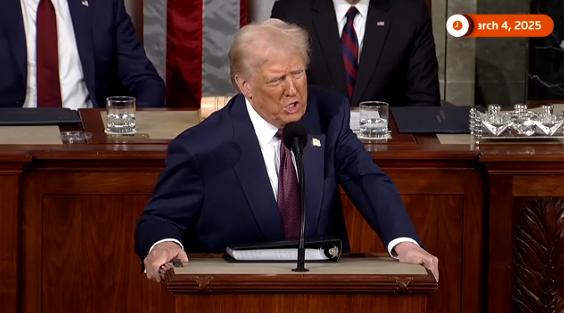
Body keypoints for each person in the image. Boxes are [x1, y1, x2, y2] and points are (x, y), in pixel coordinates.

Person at [135, 19, 438, 282]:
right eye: (277, 79)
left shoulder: (328, 115)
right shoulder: (201, 146)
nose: (292, 90)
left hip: (324, 291)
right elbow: (159, 219)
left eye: (298, 73)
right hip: (235, 294)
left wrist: (405, 243)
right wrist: (163, 243)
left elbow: (367, 179)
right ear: (245, 85)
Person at [271, 0, 440, 107]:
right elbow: (277, 96)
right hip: (314, 147)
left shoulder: (410, 12)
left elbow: (423, 102)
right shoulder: (291, 10)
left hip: (389, 147)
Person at [0, 0, 165, 109]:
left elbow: (145, 80)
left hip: (89, 136)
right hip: (11, 136)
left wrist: (128, 122)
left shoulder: (102, 5)